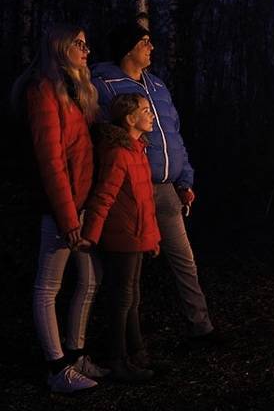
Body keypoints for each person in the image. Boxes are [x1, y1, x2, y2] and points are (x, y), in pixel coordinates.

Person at [91, 21, 222, 344]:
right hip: (130, 188)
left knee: (184, 259)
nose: (151, 47)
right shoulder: (103, 82)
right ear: (128, 48)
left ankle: (201, 327)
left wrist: (185, 178)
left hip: (166, 189)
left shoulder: (158, 87)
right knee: (128, 268)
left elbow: (174, 136)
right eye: (145, 42)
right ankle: (124, 340)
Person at [10, 24, 109, 393]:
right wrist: (67, 217)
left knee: (90, 278)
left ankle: (76, 352)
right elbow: (51, 162)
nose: (87, 51)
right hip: (60, 209)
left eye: (87, 44)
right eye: (79, 44)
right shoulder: (43, 92)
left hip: (81, 205)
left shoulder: (75, 92)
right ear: (60, 48)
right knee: (48, 286)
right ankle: (56, 369)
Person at [82, 94, 161, 382]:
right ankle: (117, 360)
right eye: (145, 110)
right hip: (122, 237)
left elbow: (144, 201)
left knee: (132, 296)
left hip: (137, 235)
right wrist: (90, 236)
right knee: (122, 299)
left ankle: (135, 352)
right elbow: (104, 196)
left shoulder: (137, 150)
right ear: (130, 119)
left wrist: (153, 238)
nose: (151, 114)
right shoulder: (118, 153)